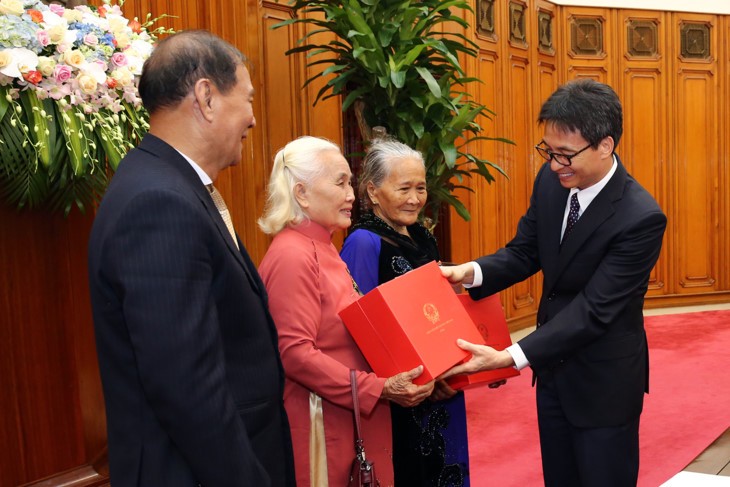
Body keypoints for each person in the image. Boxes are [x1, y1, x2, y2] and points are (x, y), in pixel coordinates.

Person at [87, 30, 295, 486]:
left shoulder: (169, 184)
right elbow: (187, 389)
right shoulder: (159, 202)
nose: (254, 119)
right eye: (248, 99)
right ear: (206, 96)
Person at [440, 79, 667, 487]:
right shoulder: (552, 183)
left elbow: (595, 309)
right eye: (548, 151)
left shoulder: (640, 217)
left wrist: (509, 356)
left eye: (565, 155)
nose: (554, 164)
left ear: (605, 145)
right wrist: (468, 272)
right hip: (553, 374)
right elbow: (526, 251)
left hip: (603, 385)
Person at [257, 136, 435, 487]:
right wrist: (376, 388)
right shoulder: (293, 255)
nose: (352, 194)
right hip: (323, 423)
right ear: (302, 193)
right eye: (340, 183)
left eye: (350, 182)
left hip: (349, 414)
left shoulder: (321, 246)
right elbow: (294, 354)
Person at [340, 137, 470, 486]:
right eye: (404, 189)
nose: (415, 199)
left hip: (442, 389)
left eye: (421, 188)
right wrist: (421, 379)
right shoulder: (363, 243)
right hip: (403, 399)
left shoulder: (423, 236)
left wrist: (450, 371)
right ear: (373, 190)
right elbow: (361, 328)